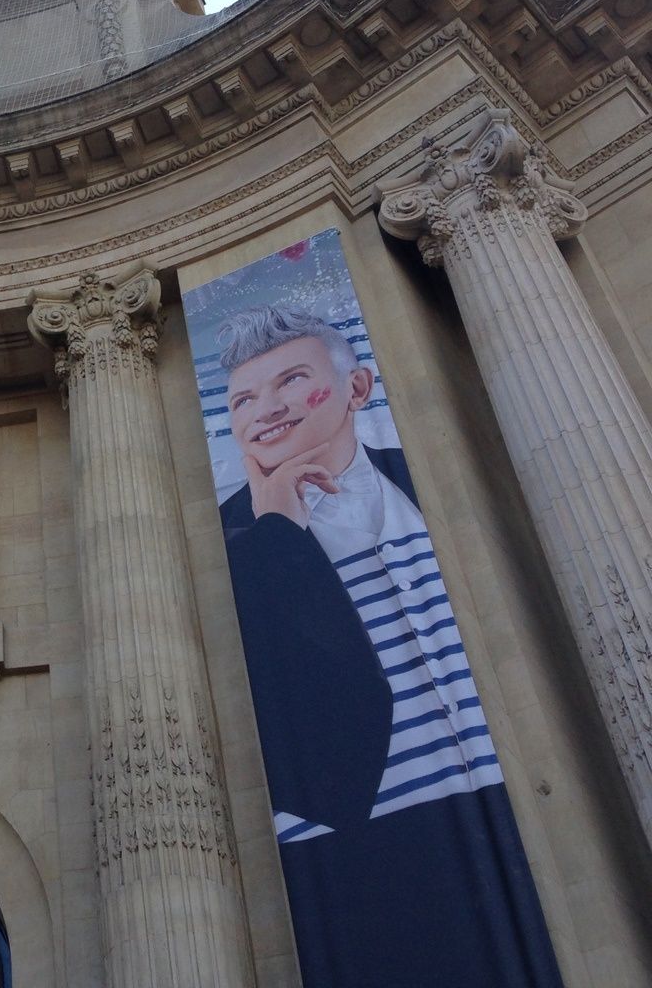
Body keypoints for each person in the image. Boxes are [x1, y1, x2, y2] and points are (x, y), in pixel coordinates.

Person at [214, 305, 561, 987]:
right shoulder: (233, 542)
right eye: (244, 399)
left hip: (503, 816)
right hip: (364, 864)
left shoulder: (430, 472)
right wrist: (279, 532)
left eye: (290, 380)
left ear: (358, 389)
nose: (267, 410)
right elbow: (329, 774)